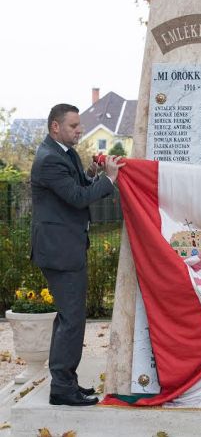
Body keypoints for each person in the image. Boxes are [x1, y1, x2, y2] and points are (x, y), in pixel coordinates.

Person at [30, 104, 124, 406]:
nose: (79, 130)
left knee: (70, 318)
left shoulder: (63, 153)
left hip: (65, 247)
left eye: (79, 125)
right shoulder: (48, 160)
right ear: (55, 127)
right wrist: (109, 180)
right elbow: (76, 197)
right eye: (73, 126)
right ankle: (62, 388)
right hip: (59, 250)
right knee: (72, 319)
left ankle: (65, 381)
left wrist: (92, 173)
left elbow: (77, 184)